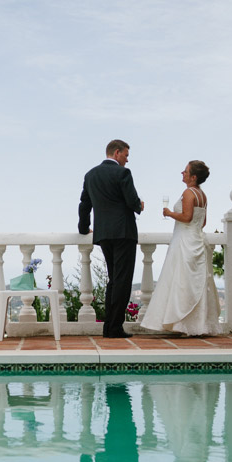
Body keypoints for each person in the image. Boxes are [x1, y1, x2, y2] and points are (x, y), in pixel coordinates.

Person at [140, 160, 221, 336]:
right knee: (195, 282)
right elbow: (203, 221)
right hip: (197, 239)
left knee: (181, 280)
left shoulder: (188, 192)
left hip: (184, 240)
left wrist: (169, 213)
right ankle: (196, 324)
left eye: (185, 171)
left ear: (193, 177)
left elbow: (186, 217)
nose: (182, 173)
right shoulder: (202, 195)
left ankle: (181, 322)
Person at [78, 139, 144, 338]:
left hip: (103, 234)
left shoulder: (90, 175)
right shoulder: (123, 173)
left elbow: (84, 205)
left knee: (113, 280)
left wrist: (83, 229)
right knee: (122, 281)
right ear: (116, 153)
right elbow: (132, 202)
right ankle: (114, 327)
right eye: (125, 155)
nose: (127, 160)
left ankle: (110, 326)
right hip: (124, 232)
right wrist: (140, 205)